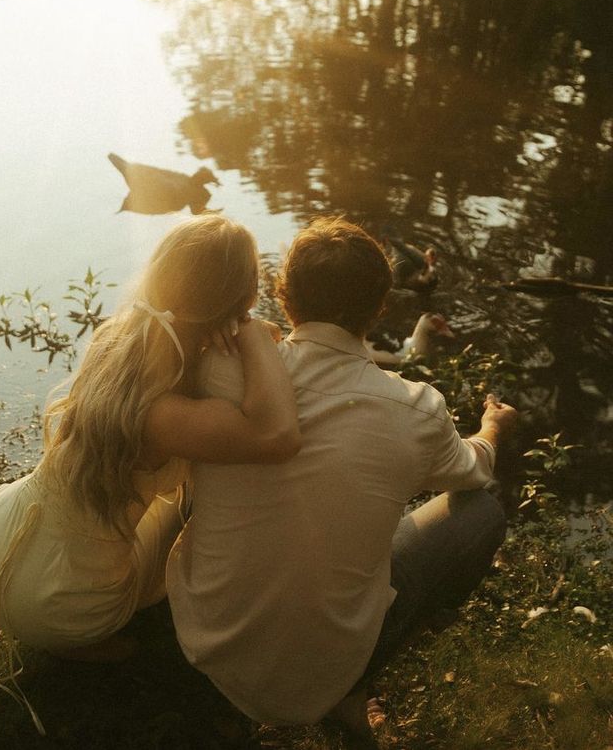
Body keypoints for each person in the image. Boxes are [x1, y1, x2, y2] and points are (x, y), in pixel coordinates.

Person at [166, 216, 517, 741]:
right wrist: (492, 427)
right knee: (482, 511)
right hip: (326, 674)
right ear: (379, 307)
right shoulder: (418, 409)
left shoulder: (217, 367)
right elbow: (475, 470)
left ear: (283, 296)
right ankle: (354, 687)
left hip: (210, 647)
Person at [0, 215, 300, 661]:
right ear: (243, 298)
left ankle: (67, 609)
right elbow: (278, 436)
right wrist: (253, 333)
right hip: (61, 607)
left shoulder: (118, 341)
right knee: (192, 504)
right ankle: (83, 637)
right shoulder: (161, 413)